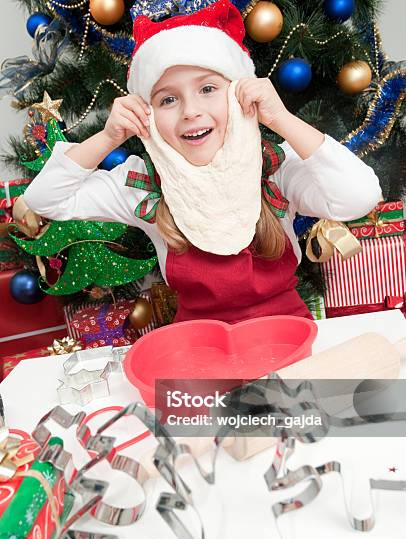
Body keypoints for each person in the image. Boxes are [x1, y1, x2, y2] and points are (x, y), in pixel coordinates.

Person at [20, 0, 383, 324]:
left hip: (285, 339)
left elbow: (359, 195)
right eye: (168, 100)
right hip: (198, 349)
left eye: (208, 89)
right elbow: (45, 201)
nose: (191, 112)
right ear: (147, 114)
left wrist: (281, 119)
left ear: (238, 93)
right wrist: (108, 137)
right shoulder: (142, 183)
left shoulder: (275, 168)